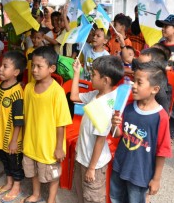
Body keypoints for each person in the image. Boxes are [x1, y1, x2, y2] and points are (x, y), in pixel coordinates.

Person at [110, 61, 172, 203]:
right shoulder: (129, 107)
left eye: (139, 83)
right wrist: (114, 125)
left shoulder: (160, 117)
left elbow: (162, 150)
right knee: (115, 198)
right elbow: (119, 134)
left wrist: (156, 179)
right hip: (120, 166)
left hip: (140, 175)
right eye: (133, 81)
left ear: (155, 89)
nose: (134, 86)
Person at [70, 55, 124, 203]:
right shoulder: (97, 94)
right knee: (82, 193)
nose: (91, 77)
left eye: (93, 75)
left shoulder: (105, 105)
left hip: (93, 163)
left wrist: (92, 168)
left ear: (105, 80)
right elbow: (74, 96)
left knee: (92, 197)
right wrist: (76, 73)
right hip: (84, 156)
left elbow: (100, 141)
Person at [22, 46, 72, 203]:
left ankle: (51, 199)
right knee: (33, 170)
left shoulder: (57, 92)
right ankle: (36, 194)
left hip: (49, 145)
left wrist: (59, 147)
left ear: (52, 68)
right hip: (31, 142)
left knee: (53, 175)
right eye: (33, 66)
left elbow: (61, 123)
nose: (34, 70)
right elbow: (26, 115)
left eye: (39, 66)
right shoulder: (29, 88)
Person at [0, 51, 27, 202]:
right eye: (0, 65)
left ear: (16, 72)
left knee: (14, 162)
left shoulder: (17, 92)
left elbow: (18, 120)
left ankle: (16, 186)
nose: (1, 69)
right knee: (4, 159)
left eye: (5, 66)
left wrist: (14, 140)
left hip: (12, 137)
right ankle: (9, 182)